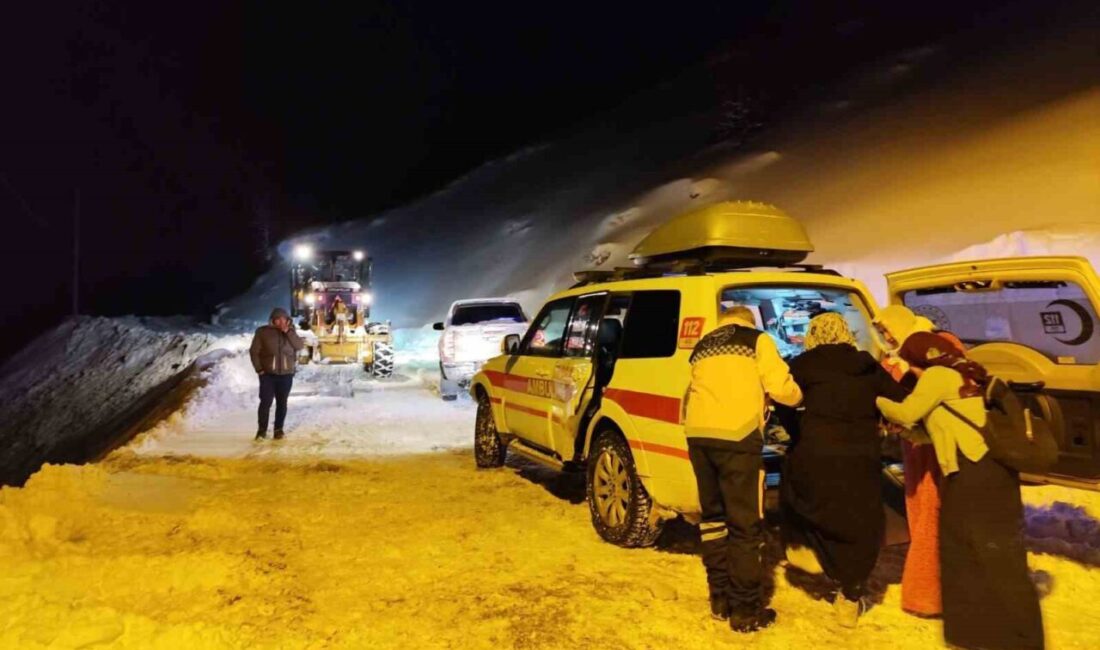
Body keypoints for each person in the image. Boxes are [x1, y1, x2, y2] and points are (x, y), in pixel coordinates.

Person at [877, 333, 1044, 650]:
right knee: (960, 551)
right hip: (970, 473)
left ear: (918, 359)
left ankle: (1023, 639)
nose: (910, 372)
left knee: (995, 557)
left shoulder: (939, 375)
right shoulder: (963, 373)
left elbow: (905, 412)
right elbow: (937, 430)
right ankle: (972, 633)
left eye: (910, 364)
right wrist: (910, 434)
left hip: (978, 473)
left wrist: (875, 400)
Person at [779, 313, 910, 627]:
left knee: (807, 501)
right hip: (860, 456)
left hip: (815, 451)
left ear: (813, 334)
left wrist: (798, 432)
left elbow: (783, 401)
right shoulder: (866, 365)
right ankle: (850, 595)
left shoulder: (803, 364)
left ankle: (807, 549)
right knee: (859, 522)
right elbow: (900, 399)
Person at [684, 305, 803, 632]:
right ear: (749, 320)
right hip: (736, 437)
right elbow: (781, 388)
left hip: (698, 436)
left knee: (713, 521)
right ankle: (745, 610)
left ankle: (719, 599)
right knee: (744, 525)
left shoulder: (704, 344)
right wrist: (799, 397)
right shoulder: (756, 339)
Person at [873, 305, 944, 617]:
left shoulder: (931, 348)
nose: (886, 338)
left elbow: (911, 404)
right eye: (881, 333)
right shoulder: (900, 355)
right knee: (919, 510)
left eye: (888, 331)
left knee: (930, 513)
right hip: (914, 443)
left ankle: (925, 595)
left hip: (932, 442)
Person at [249, 308, 304, 440]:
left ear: (288, 320)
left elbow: (299, 346)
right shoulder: (263, 332)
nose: (281, 322)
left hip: (286, 374)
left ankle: (278, 430)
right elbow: (254, 352)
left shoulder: (291, 331)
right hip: (268, 374)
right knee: (265, 402)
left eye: (283, 319)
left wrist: (288, 332)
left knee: (282, 403)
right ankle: (261, 431)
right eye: (278, 319)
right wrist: (259, 369)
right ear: (272, 321)